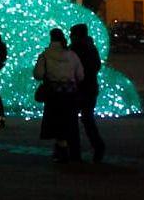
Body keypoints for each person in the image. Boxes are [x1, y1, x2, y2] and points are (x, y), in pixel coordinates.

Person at [34, 27, 82, 164]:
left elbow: (38, 74)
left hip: (54, 94)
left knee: (56, 122)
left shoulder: (45, 55)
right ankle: (71, 152)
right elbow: (80, 75)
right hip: (70, 93)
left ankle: (61, 150)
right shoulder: (72, 55)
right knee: (70, 122)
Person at [69, 23, 106, 163]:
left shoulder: (75, 50)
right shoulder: (92, 48)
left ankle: (75, 151)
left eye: (72, 34)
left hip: (79, 89)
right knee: (86, 119)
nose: (70, 37)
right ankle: (97, 146)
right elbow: (97, 66)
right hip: (90, 88)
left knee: (74, 120)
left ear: (77, 36)